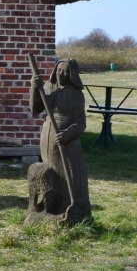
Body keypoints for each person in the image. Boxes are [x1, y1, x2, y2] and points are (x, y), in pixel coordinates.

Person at [29, 58, 91, 224]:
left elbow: (81, 122)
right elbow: (35, 109)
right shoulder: (49, 88)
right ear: (54, 71)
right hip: (48, 140)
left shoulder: (77, 94)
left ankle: (72, 210)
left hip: (67, 144)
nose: (62, 74)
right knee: (50, 175)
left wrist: (67, 134)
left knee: (70, 176)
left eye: (66, 71)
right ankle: (48, 208)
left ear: (72, 74)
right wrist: (35, 89)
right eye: (59, 70)